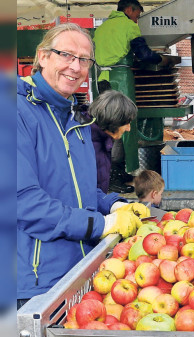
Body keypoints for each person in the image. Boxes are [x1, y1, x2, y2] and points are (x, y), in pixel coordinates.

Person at [17, 23, 150, 308]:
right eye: (66, 55)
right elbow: (23, 203)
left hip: (78, 275)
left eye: (84, 60)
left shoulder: (76, 121)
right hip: (33, 284)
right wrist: (102, 224)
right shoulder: (15, 113)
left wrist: (113, 205)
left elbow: (80, 192)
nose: (75, 67)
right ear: (43, 57)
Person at [93, 0, 165, 193]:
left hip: (102, 79)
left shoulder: (101, 28)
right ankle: (112, 178)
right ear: (129, 9)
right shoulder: (127, 25)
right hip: (120, 79)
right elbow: (143, 54)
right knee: (121, 127)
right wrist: (162, 59)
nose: (137, 20)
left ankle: (117, 173)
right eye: (137, 15)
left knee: (108, 125)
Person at [89, 90, 137, 193]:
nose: (128, 128)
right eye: (126, 123)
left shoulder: (102, 140)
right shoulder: (87, 145)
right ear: (114, 121)